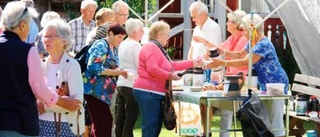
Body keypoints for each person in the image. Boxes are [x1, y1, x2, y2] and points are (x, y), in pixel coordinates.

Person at [0, 1, 81, 136]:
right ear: (22, 25)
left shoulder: (71, 65)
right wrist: (63, 102)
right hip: (19, 122)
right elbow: (40, 89)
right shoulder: (27, 51)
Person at [207, 13, 289, 137]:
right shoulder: (253, 42)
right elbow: (240, 54)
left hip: (277, 85)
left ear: (253, 30)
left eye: (245, 30)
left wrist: (222, 62)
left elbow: (245, 62)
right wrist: (222, 51)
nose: (244, 33)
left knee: (275, 120)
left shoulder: (263, 44)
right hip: (265, 86)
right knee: (264, 120)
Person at [133, 21, 202, 137]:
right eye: (167, 34)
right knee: (150, 128)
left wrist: (193, 63)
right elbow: (152, 69)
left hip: (153, 93)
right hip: (148, 92)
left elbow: (172, 66)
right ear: (159, 34)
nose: (168, 37)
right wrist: (170, 76)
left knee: (154, 127)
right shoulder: (151, 47)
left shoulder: (158, 49)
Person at [193, 9, 248, 137]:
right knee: (217, 107)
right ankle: (211, 133)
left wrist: (218, 60)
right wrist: (205, 44)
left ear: (236, 24)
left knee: (225, 111)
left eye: (229, 21)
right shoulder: (232, 38)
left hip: (240, 81)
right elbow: (219, 49)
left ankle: (215, 134)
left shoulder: (243, 39)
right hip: (229, 80)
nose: (227, 23)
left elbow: (238, 58)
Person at [36, 19, 85, 137]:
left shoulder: (72, 65)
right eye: (45, 36)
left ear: (64, 40)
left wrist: (46, 107)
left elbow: (76, 103)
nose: (46, 40)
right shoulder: (41, 65)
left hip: (66, 126)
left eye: (51, 36)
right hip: (42, 124)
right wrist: (61, 102)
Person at [83, 23, 128, 137]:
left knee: (100, 124)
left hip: (103, 94)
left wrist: (119, 71)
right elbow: (93, 66)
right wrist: (117, 72)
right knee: (104, 124)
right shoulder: (101, 45)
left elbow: (109, 66)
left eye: (123, 38)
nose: (121, 40)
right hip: (94, 92)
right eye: (119, 37)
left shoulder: (112, 47)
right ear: (111, 33)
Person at [115, 18, 144, 137]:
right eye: (142, 30)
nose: (143, 32)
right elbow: (140, 66)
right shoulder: (135, 44)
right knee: (130, 116)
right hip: (132, 83)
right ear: (135, 32)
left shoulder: (123, 43)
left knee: (120, 117)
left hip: (121, 82)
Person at [188, 1, 222, 83]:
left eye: (194, 17)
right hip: (197, 70)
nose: (193, 20)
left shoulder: (213, 27)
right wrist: (189, 65)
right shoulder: (196, 28)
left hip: (209, 71)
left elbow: (214, 51)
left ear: (203, 14)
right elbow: (192, 48)